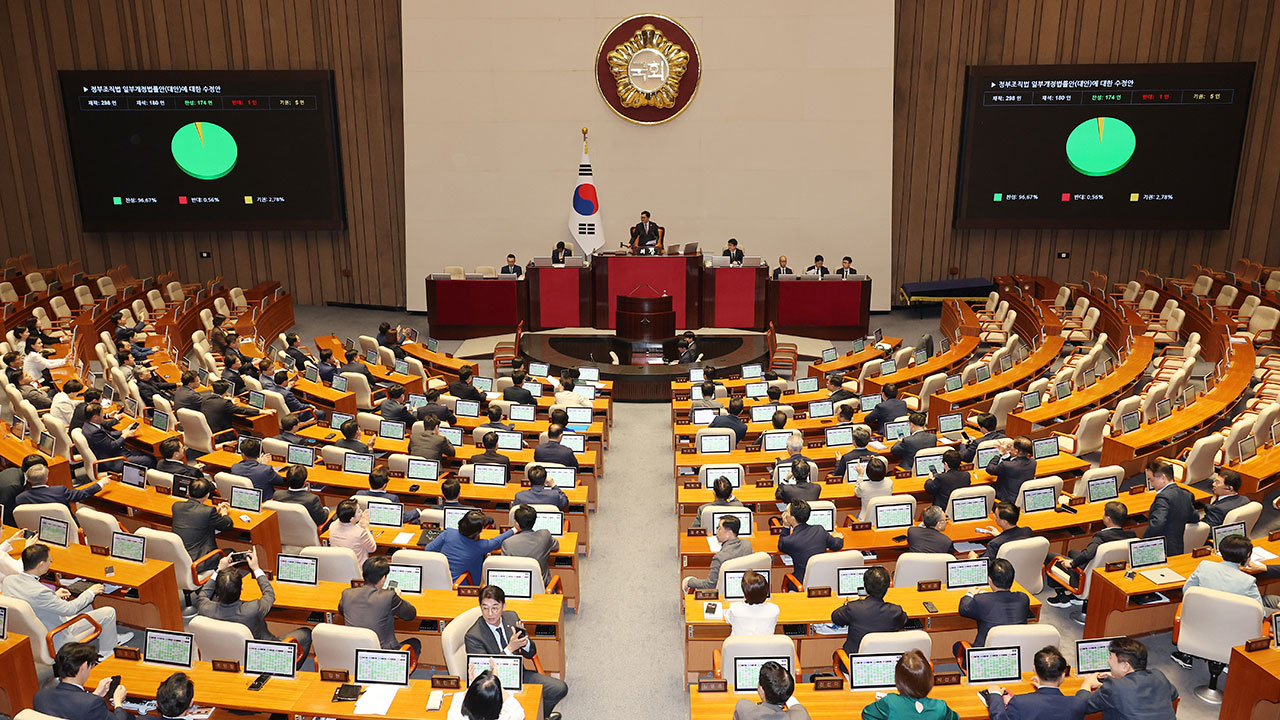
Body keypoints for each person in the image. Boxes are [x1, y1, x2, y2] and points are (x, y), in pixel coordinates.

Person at [4, 543, 132, 653]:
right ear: (41, 564)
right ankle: (107, 650)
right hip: (55, 633)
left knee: (85, 604)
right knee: (108, 612)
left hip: (33, 629)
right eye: (49, 560)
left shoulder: (9, 580)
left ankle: (109, 635)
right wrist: (91, 592)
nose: (51, 561)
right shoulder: (40, 593)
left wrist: (53, 596)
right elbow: (69, 609)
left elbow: (29, 597)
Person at [465, 585, 568, 719]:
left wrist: (525, 643)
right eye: (485, 608)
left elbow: (531, 653)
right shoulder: (473, 636)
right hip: (494, 685)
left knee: (559, 688)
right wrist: (509, 649)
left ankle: (540, 716)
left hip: (519, 675)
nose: (490, 613)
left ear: (503, 606)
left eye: (495, 608)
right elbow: (484, 674)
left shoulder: (511, 617)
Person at [194, 551, 311, 665]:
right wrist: (256, 569)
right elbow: (269, 594)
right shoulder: (253, 609)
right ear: (241, 588)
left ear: (216, 590)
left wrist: (218, 570)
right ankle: (283, 669)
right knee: (306, 634)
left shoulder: (205, 609)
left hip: (228, 656)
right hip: (263, 654)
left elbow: (203, 595)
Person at [1170, 534, 1263, 669]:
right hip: (1230, 630)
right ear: (1247, 555)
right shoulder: (1247, 581)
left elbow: (1187, 591)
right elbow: (1259, 612)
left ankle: (1186, 655)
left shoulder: (1204, 566)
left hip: (1202, 621)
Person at [1046, 501, 1135, 607]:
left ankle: (1061, 596)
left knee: (1051, 557)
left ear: (1108, 519)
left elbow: (1088, 554)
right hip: (1106, 572)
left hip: (1084, 576)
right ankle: (1074, 597)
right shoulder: (1131, 535)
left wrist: (1071, 564)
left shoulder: (1101, 536)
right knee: (1072, 552)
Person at [1076, 637, 1178, 719]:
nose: (1108, 661)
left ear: (1125, 666)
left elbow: (1081, 705)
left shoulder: (1114, 687)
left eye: (1111, 657)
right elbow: (1174, 695)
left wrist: (1086, 684)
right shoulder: (1158, 675)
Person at [340, 556, 421, 655]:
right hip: (382, 654)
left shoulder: (347, 593)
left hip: (354, 651)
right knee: (415, 643)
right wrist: (397, 597)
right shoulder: (389, 596)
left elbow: (342, 611)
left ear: (363, 575)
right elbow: (410, 614)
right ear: (383, 578)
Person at [33, 641, 130, 720]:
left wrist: (95, 695)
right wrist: (118, 702)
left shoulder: (40, 696)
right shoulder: (92, 704)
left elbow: (73, 708)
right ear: (83, 666)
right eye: (92, 665)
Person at [985, 646, 1089, 720]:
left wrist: (995, 695)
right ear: (1063, 675)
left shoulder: (1020, 702)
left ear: (1034, 669)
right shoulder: (1078, 704)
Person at [861, 649, 958, 720]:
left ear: (898, 680)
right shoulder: (940, 707)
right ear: (929, 679)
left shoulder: (889, 702)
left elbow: (867, 714)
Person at [830, 565, 907, 654]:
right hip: (884, 661)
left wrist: (849, 603)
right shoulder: (895, 611)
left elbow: (835, 617)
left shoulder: (854, 608)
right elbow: (904, 620)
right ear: (887, 589)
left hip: (854, 662)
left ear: (865, 588)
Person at [424, 509, 514, 583]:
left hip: (436, 577)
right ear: (478, 531)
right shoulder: (481, 546)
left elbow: (428, 549)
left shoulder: (448, 533)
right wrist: (514, 529)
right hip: (460, 583)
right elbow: (497, 541)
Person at [956, 558, 1029, 646]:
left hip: (987, 654)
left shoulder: (981, 600)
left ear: (990, 580)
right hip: (1015, 651)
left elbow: (964, 609)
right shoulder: (1024, 599)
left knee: (957, 646)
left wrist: (970, 593)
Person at [172, 478, 234, 572]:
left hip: (181, 558)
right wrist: (224, 513)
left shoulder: (176, 506)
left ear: (189, 491)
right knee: (231, 553)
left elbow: (195, 518)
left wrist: (214, 513)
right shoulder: (207, 511)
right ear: (207, 494)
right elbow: (227, 525)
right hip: (200, 562)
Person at [777, 499, 844, 583]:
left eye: (786, 512)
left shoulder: (790, 541)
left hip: (801, 583)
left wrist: (786, 526)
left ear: (793, 519)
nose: (784, 514)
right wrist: (839, 538)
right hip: (823, 581)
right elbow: (837, 545)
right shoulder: (819, 530)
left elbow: (781, 545)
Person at [683, 515, 753, 591]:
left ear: (729, 533)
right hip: (747, 588)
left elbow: (709, 585)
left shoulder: (719, 558)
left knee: (687, 580)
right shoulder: (747, 544)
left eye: (719, 528)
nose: (717, 531)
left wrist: (689, 581)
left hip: (724, 592)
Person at [81, 402, 154, 472]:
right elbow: (112, 446)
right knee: (149, 459)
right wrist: (125, 436)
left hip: (115, 453)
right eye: (102, 413)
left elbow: (109, 434)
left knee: (141, 452)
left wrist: (124, 431)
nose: (103, 415)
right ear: (95, 417)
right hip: (112, 460)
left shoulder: (88, 425)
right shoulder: (94, 432)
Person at [1142, 460, 1195, 556]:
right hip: (1178, 546)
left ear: (1163, 478)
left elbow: (1157, 523)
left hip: (1162, 549)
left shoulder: (1163, 497)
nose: (1151, 484)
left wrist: (1143, 542)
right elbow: (1194, 517)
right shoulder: (1186, 494)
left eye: (1151, 480)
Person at [733, 659, 809, 719]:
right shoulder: (802, 716)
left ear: (761, 690)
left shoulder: (743, 710)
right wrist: (784, 694)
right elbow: (798, 708)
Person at [503, 504, 558, 585]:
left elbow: (505, 568)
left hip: (518, 585)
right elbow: (556, 546)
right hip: (542, 586)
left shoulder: (508, 543)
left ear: (517, 524)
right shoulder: (544, 535)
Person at [16, 462, 109, 507]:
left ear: (28, 479)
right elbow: (81, 494)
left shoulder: (20, 498)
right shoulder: (59, 491)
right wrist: (101, 483)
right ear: (46, 479)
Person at [354, 466, 421, 523]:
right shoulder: (391, 498)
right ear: (384, 485)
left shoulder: (359, 494)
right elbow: (401, 517)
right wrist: (416, 511)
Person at [725, 569, 780, 637]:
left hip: (739, 647)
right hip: (764, 647)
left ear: (744, 594)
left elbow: (727, 619)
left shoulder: (734, 608)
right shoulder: (774, 610)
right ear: (767, 591)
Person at [987, 436, 1036, 504]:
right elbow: (1013, 462)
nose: (1010, 447)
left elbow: (990, 469)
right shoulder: (1033, 462)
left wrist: (1000, 454)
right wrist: (1008, 454)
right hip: (1022, 499)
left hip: (1006, 501)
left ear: (1016, 451)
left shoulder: (1006, 465)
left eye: (1012, 446)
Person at [854, 456, 893, 521]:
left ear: (867, 472)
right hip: (884, 517)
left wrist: (860, 475)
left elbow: (857, 493)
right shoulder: (889, 482)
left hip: (866, 519)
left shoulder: (863, 486)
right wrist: (876, 462)